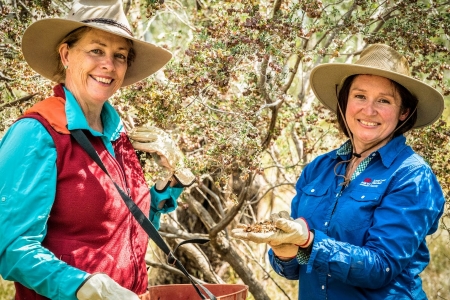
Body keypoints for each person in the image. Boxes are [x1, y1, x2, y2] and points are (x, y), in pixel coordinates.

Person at [0, 0, 194, 299]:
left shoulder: (118, 136)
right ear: (66, 55)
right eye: (96, 50)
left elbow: (126, 228)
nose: (109, 64)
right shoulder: (37, 133)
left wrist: (169, 179)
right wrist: (82, 286)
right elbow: (12, 249)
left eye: (120, 55)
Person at [232, 44, 446, 299]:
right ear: (344, 101)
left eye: (384, 100)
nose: (369, 110)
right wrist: (284, 249)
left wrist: (309, 242)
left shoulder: (411, 176)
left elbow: (381, 268)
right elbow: (292, 271)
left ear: (404, 112)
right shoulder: (319, 168)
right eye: (360, 96)